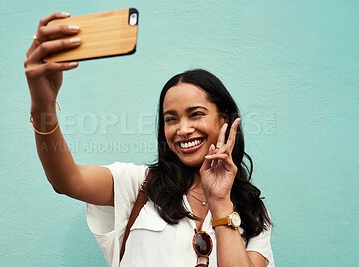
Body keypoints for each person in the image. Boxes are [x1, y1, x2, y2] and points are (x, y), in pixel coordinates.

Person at [24, 12, 274, 267]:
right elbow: (66, 180)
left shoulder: (252, 212)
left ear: (223, 120)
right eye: (171, 119)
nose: (183, 129)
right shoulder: (139, 184)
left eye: (196, 114)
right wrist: (43, 106)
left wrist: (221, 205)